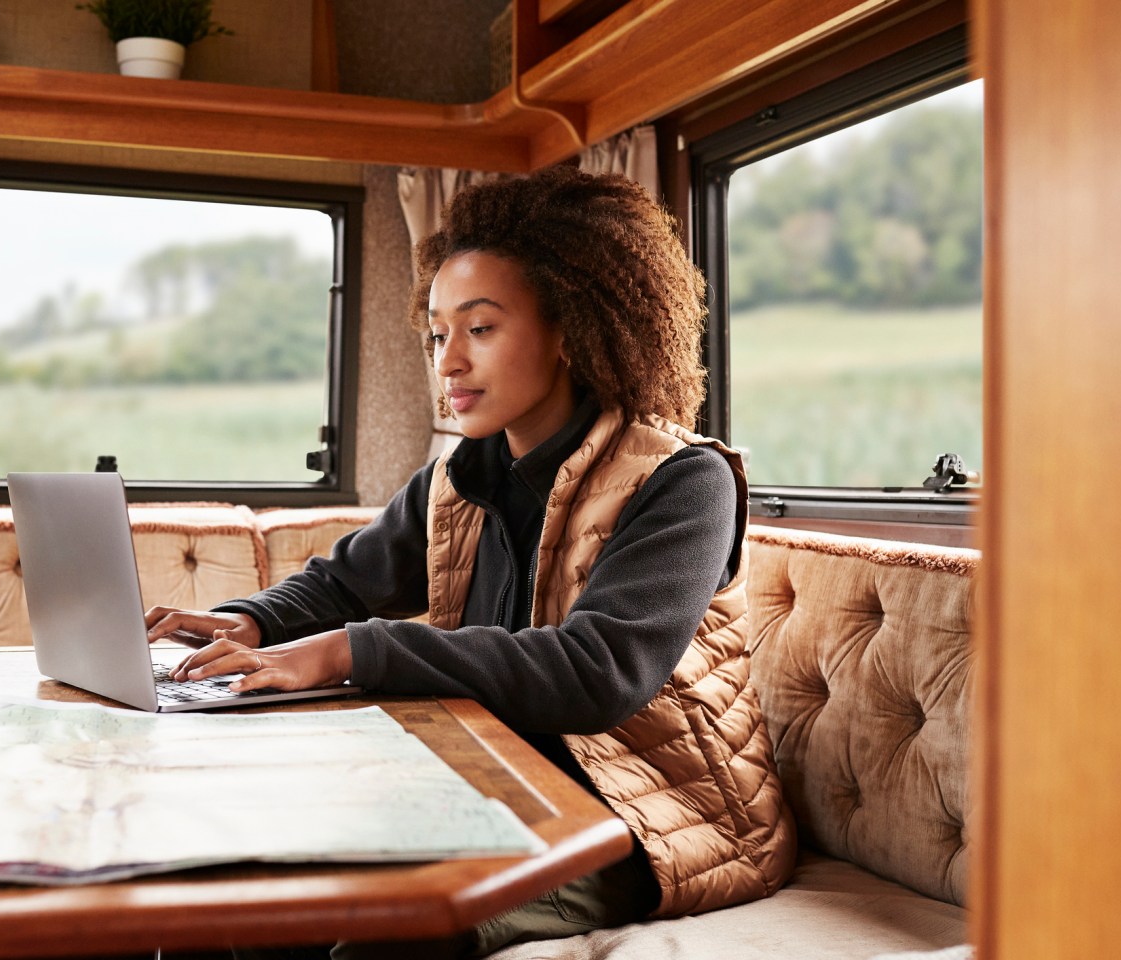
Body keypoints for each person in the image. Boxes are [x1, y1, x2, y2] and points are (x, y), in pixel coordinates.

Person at [146, 166, 794, 959]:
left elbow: (598, 672)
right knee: (240, 897)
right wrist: (253, 618)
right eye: (437, 333)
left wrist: (350, 650)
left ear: (569, 329)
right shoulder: (458, 475)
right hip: (499, 781)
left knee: (388, 938)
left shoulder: (684, 482)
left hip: (657, 815)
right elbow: (349, 579)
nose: (447, 361)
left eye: (479, 329)